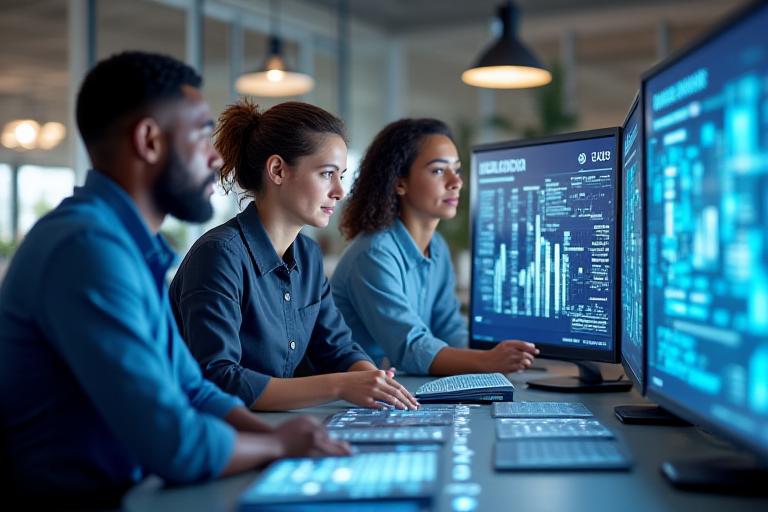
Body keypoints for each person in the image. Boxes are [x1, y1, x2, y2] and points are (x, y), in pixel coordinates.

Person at [0, 51, 348, 508]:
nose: (215, 156)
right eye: (203, 135)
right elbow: (174, 444)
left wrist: (278, 435)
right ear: (149, 140)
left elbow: (193, 387)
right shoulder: (87, 249)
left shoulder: (123, 245)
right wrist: (280, 446)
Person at [169, 99, 419, 412]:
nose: (339, 191)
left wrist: (375, 382)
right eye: (327, 174)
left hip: (275, 427)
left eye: (341, 175)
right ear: (277, 170)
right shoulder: (220, 256)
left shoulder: (308, 255)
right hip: (213, 440)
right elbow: (219, 380)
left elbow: (338, 348)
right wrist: (341, 384)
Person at [331, 118, 539, 376]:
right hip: (356, 398)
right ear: (399, 182)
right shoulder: (374, 254)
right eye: (439, 170)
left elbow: (449, 327)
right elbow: (411, 348)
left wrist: (500, 357)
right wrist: (487, 361)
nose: (456, 182)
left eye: (457, 170)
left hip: (401, 389)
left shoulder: (437, 247)